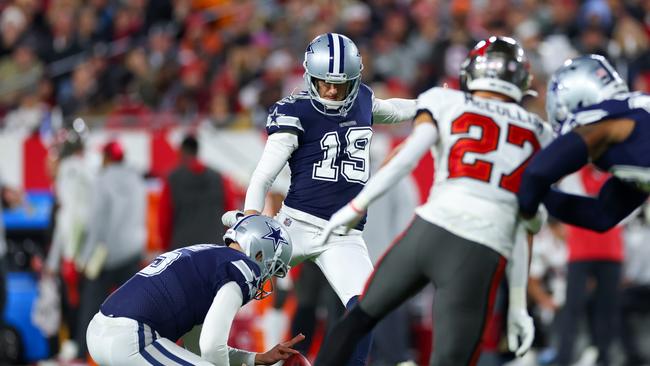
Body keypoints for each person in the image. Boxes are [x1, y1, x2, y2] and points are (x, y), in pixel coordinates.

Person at [312, 36, 554, 365]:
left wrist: (354, 208)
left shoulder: (446, 100)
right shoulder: (540, 132)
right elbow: (525, 222)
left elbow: (405, 158)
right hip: (481, 248)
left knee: (358, 320)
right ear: (521, 80)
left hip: (429, 230)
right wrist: (517, 307)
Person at [223, 32, 417, 365]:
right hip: (295, 224)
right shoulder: (295, 110)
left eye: (339, 84)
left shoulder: (364, 100)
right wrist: (251, 219)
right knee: (228, 282)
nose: (330, 90)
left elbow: (393, 111)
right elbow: (263, 176)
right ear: (310, 77)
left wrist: (427, 105)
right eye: (324, 82)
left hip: (344, 235)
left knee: (366, 310)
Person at [86, 214, 305, 365]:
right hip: (131, 338)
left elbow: (199, 348)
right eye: (271, 268)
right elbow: (211, 348)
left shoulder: (209, 257)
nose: (266, 276)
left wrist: (255, 359)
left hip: (101, 330)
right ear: (259, 253)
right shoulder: (242, 268)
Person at [517, 54, 650, 232]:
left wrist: (525, 204)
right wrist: (540, 196)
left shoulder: (602, 123)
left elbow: (537, 173)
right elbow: (601, 216)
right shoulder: (634, 126)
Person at [75, 139, 147, 359]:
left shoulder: (102, 180)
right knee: (139, 309)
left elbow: (97, 223)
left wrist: (85, 257)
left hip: (106, 255)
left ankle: (82, 353)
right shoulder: (136, 179)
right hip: (133, 251)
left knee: (90, 305)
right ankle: (143, 350)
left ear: (107, 158)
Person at [158, 134, 228, 251]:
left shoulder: (172, 179)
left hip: (182, 249)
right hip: (214, 247)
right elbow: (229, 213)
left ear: (181, 152)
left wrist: (165, 247)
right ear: (197, 151)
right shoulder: (218, 178)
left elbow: (164, 219)